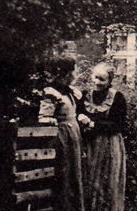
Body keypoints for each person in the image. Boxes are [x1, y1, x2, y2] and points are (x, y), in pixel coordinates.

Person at [38, 57, 86, 211]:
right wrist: (52, 122)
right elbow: (44, 117)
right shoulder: (51, 92)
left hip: (74, 137)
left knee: (75, 175)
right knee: (63, 175)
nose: (75, 74)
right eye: (74, 71)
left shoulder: (71, 92)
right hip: (62, 139)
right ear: (66, 74)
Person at [83, 62, 128, 211]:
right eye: (95, 78)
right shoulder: (85, 96)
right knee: (89, 181)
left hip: (110, 145)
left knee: (108, 182)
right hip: (90, 145)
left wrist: (94, 125)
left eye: (102, 79)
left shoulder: (117, 97)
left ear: (109, 81)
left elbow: (118, 124)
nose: (97, 82)